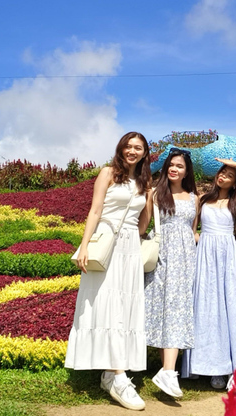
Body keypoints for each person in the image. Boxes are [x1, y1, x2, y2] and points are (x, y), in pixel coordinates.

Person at [65, 132, 152, 411]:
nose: (132, 151)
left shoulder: (144, 181)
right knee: (107, 304)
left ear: (144, 153)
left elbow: (142, 224)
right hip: (105, 243)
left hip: (130, 247)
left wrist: (148, 198)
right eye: (128, 146)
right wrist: (84, 245)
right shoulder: (107, 173)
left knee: (124, 307)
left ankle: (111, 374)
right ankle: (118, 376)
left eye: (138, 147)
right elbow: (95, 210)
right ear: (120, 148)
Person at [181, 157, 236, 390]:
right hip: (205, 255)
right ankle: (204, 366)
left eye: (228, 174)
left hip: (228, 257)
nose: (222, 176)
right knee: (204, 308)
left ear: (235, 180)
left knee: (231, 310)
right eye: (222, 172)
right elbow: (193, 228)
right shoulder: (203, 200)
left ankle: (229, 370)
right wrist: (199, 242)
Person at [140, 148, 199, 398]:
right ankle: (167, 371)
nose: (175, 169)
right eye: (172, 165)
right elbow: (144, 226)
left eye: (180, 166)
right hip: (163, 255)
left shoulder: (194, 198)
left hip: (186, 259)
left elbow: (193, 231)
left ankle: (167, 371)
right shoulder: (154, 194)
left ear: (187, 172)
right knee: (164, 307)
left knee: (177, 307)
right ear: (166, 168)